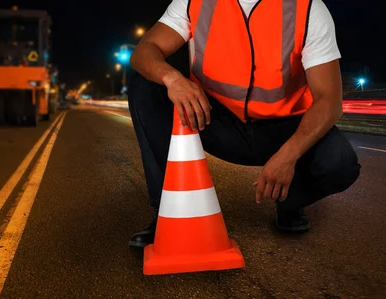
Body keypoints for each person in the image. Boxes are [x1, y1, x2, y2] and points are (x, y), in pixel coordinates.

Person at [128, 0, 361, 248]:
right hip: (215, 120)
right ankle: (168, 212)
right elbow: (145, 50)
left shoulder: (308, 8)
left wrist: (289, 156)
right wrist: (172, 78)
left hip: (283, 130)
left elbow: (329, 101)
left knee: (341, 163)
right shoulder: (193, 2)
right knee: (146, 86)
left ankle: (290, 201)